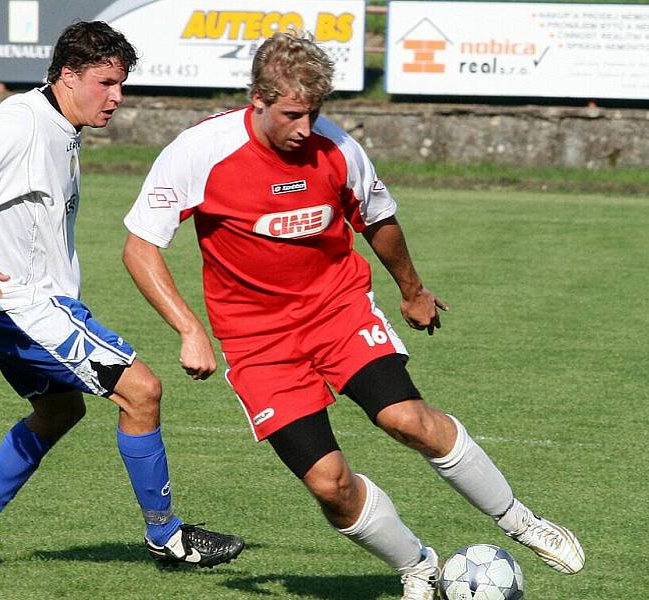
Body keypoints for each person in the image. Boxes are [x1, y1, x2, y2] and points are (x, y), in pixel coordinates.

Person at [121, 30, 584, 599]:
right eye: (292, 114)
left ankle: (519, 520)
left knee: (405, 420)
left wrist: (412, 291)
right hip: (258, 343)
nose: (304, 128)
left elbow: (378, 220)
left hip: (339, 311)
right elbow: (140, 246)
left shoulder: (336, 148)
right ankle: (417, 565)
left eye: (313, 113)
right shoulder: (200, 152)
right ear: (258, 101)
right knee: (330, 485)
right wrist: (190, 329)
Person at [0, 21, 244, 569]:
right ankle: (167, 536)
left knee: (58, 410)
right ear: (68, 75)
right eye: (106, 83)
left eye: (122, 84)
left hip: (7, 303)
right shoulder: (20, 124)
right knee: (142, 391)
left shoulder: (58, 121)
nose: (117, 98)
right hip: (17, 303)